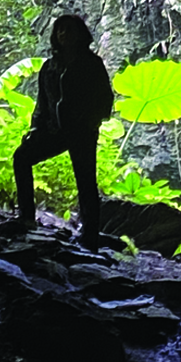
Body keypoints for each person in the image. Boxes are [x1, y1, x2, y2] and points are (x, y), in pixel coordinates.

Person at [10, 15, 115, 248]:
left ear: (80, 34)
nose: (64, 34)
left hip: (82, 131)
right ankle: (26, 217)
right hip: (54, 130)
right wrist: (35, 128)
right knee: (21, 157)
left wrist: (92, 121)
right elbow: (42, 103)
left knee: (86, 180)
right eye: (60, 30)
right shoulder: (49, 67)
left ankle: (90, 235)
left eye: (69, 29)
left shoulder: (91, 63)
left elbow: (105, 98)